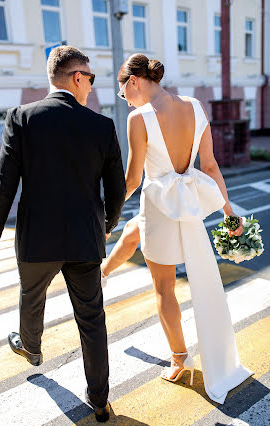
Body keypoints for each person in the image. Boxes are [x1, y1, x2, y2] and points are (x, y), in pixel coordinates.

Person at [0, 46, 126, 422]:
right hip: (84, 240)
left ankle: (31, 348)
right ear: (77, 77)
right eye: (90, 78)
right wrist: (104, 228)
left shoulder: (21, 118)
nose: (91, 87)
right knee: (92, 319)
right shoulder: (101, 126)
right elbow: (117, 191)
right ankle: (99, 400)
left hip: (37, 239)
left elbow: (3, 186)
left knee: (31, 296)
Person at [102, 53, 253, 404]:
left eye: (124, 95)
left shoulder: (139, 119)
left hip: (159, 207)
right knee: (143, 238)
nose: (126, 102)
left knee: (164, 289)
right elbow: (212, 166)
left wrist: (107, 217)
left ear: (134, 81)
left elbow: (133, 179)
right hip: (186, 206)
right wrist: (230, 215)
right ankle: (103, 272)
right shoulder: (196, 107)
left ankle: (179, 357)